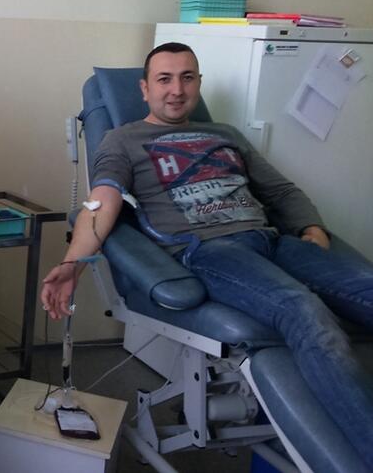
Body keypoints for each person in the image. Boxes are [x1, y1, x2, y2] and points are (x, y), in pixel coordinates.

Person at [41, 42, 373, 466]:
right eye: (164, 79)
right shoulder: (122, 139)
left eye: (187, 78)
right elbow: (101, 202)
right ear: (144, 89)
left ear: (198, 83)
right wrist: (72, 264)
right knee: (305, 311)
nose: (176, 90)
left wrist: (311, 229)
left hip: (271, 241)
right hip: (209, 250)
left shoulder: (226, 135)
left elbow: (281, 191)